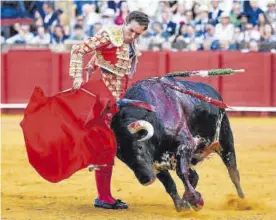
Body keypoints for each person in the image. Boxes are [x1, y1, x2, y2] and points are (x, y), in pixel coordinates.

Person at [69, 11, 149, 209]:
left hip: (117, 101)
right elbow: (78, 49)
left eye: (138, 34)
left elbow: (104, 57)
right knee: (106, 147)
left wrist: (92, 65)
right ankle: (103, 197)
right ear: (125, 23)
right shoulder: (109, 35)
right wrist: (78, 76)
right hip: (103, 102)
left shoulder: (130, 42)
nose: (134, 36)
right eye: (132, 31)